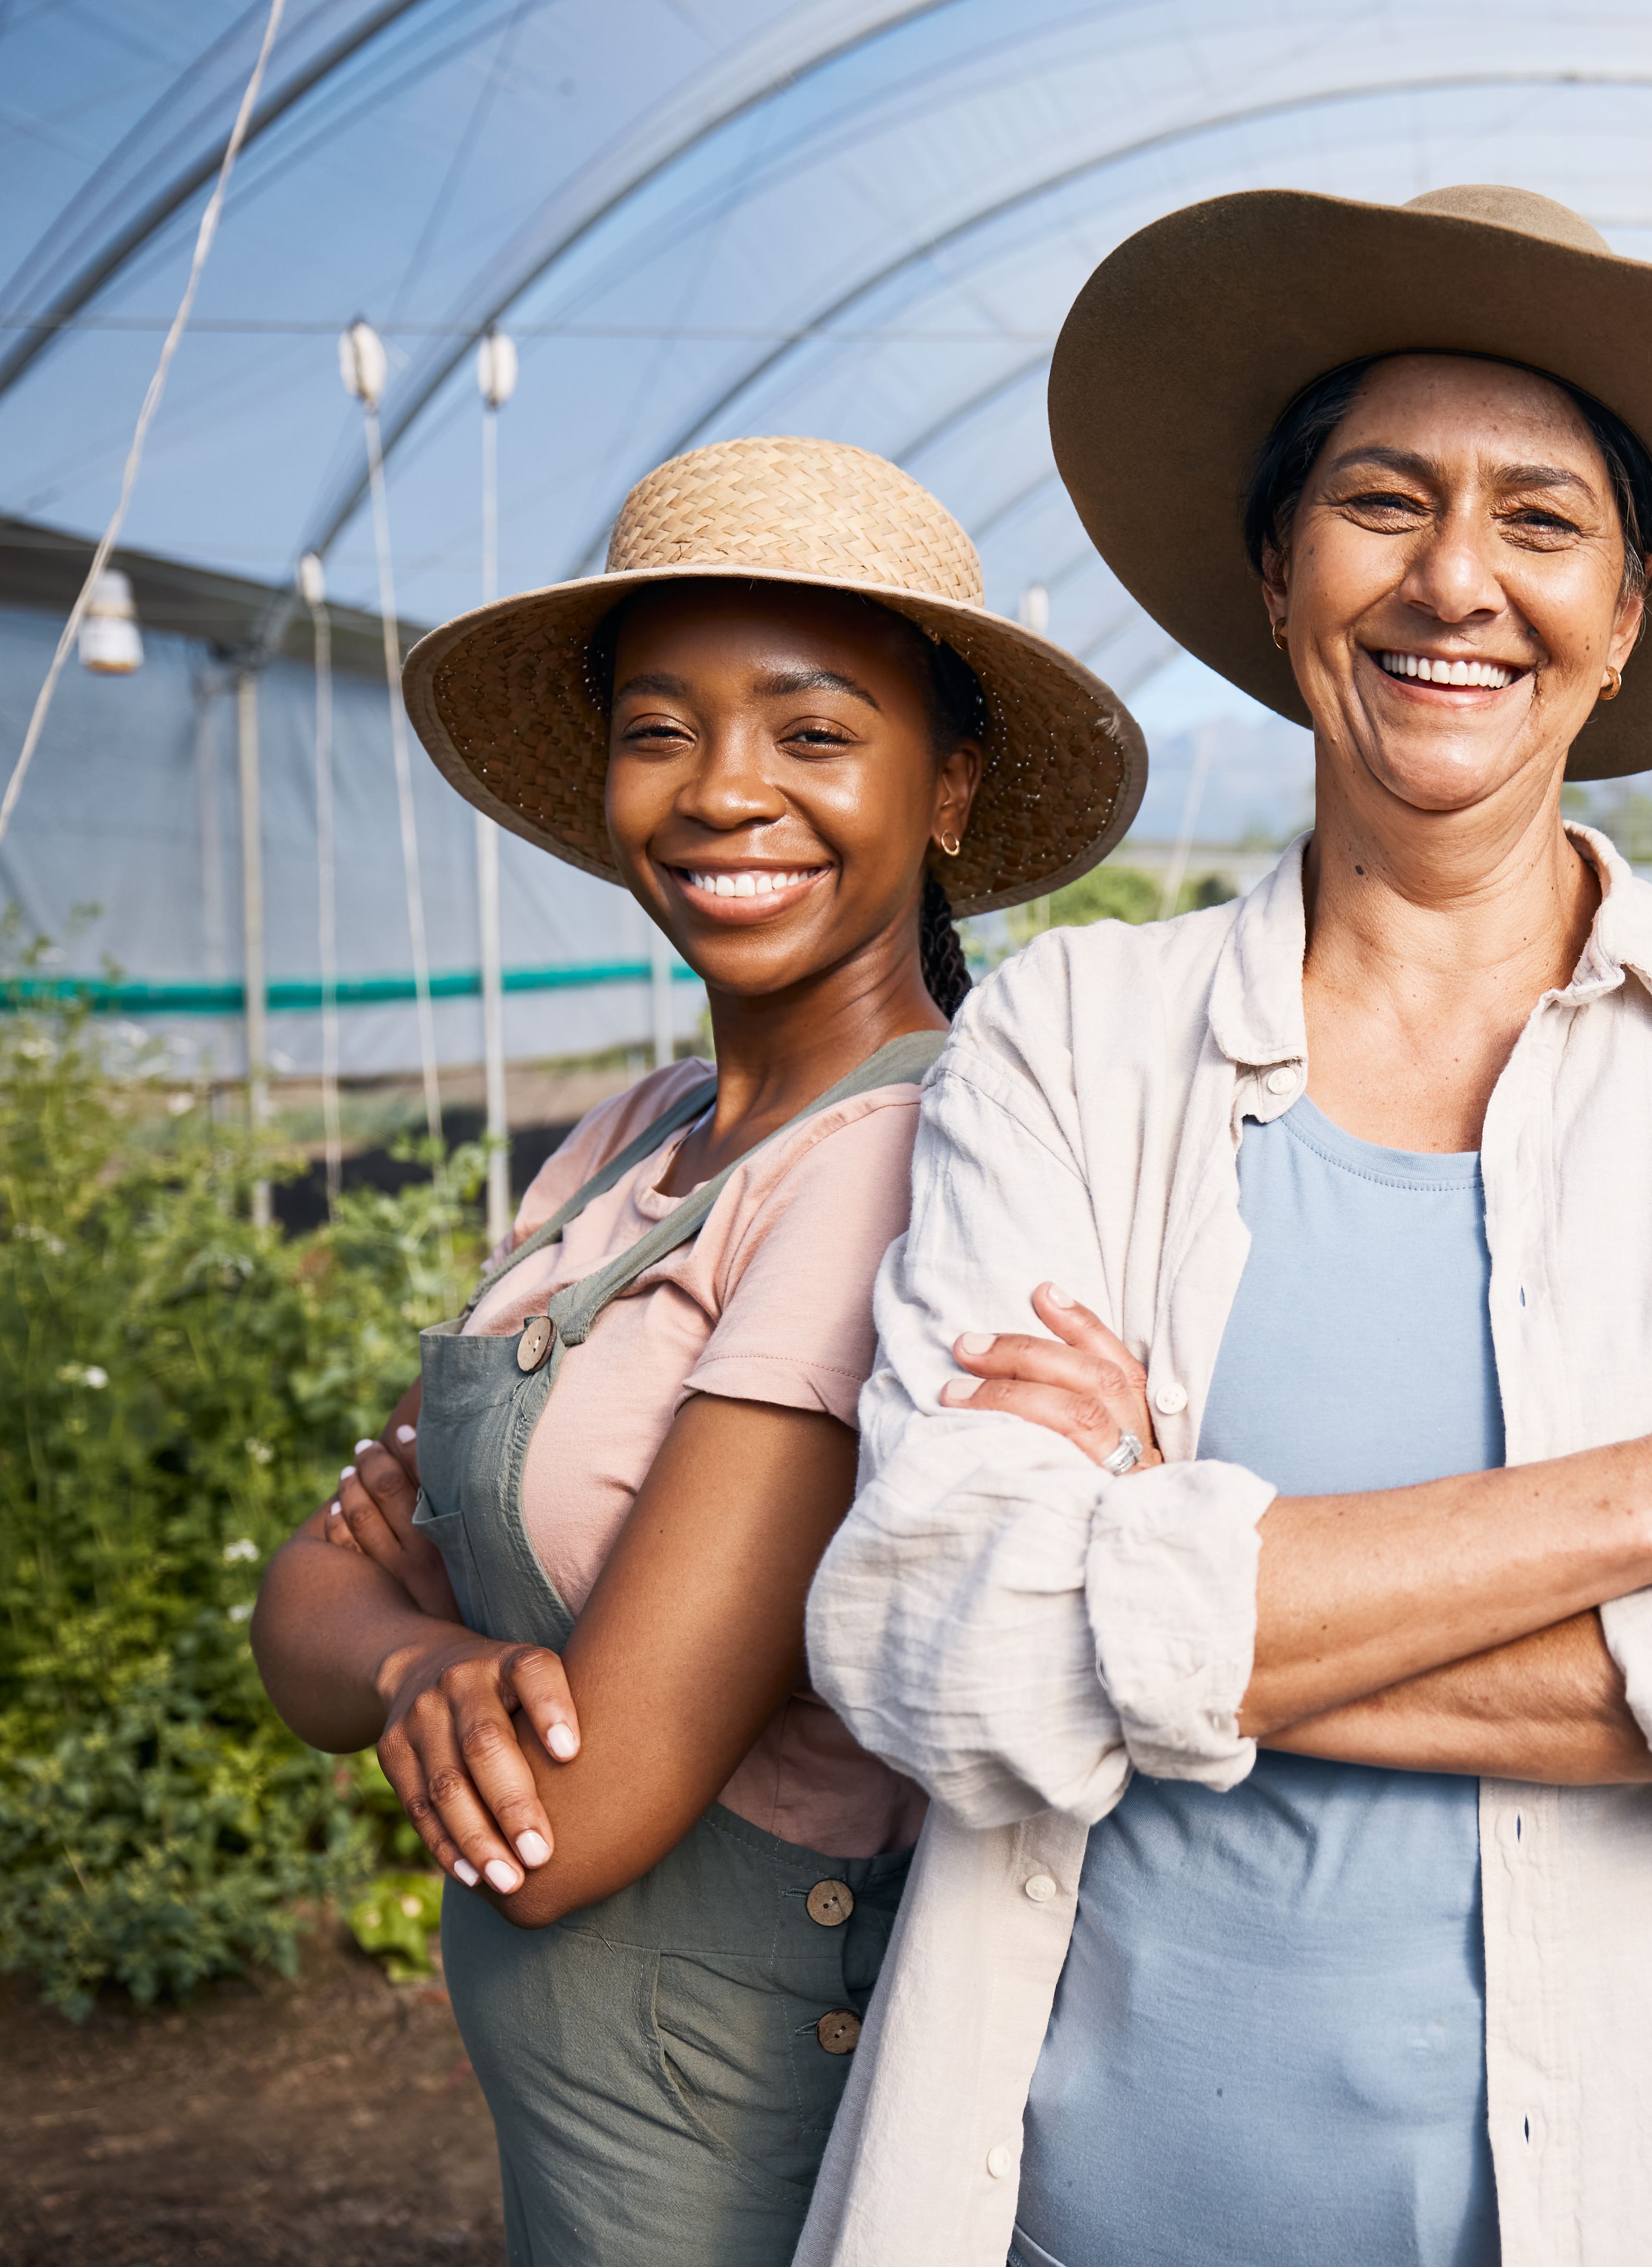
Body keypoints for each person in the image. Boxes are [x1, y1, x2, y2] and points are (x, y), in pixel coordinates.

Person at [793, 185, 1652, 2267]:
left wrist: (1164, 1568)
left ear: (1627, 614)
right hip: (1114, 2207)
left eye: (1542, 522)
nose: (1456, 577)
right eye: (1380, 502)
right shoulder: (1073, 1041)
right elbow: (936, 1647)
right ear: (1280, 575)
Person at [247, 436, 1145, 2267]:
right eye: (663, 732)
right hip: (586, 2092)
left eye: (815, 735)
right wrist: (424, 1661)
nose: (728, 792)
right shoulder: (640, 1137)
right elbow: (303, 1622)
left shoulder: (896, 1157)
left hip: (735, 2098)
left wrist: (399, 1642)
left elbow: (573, 1825)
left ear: (951, 788)